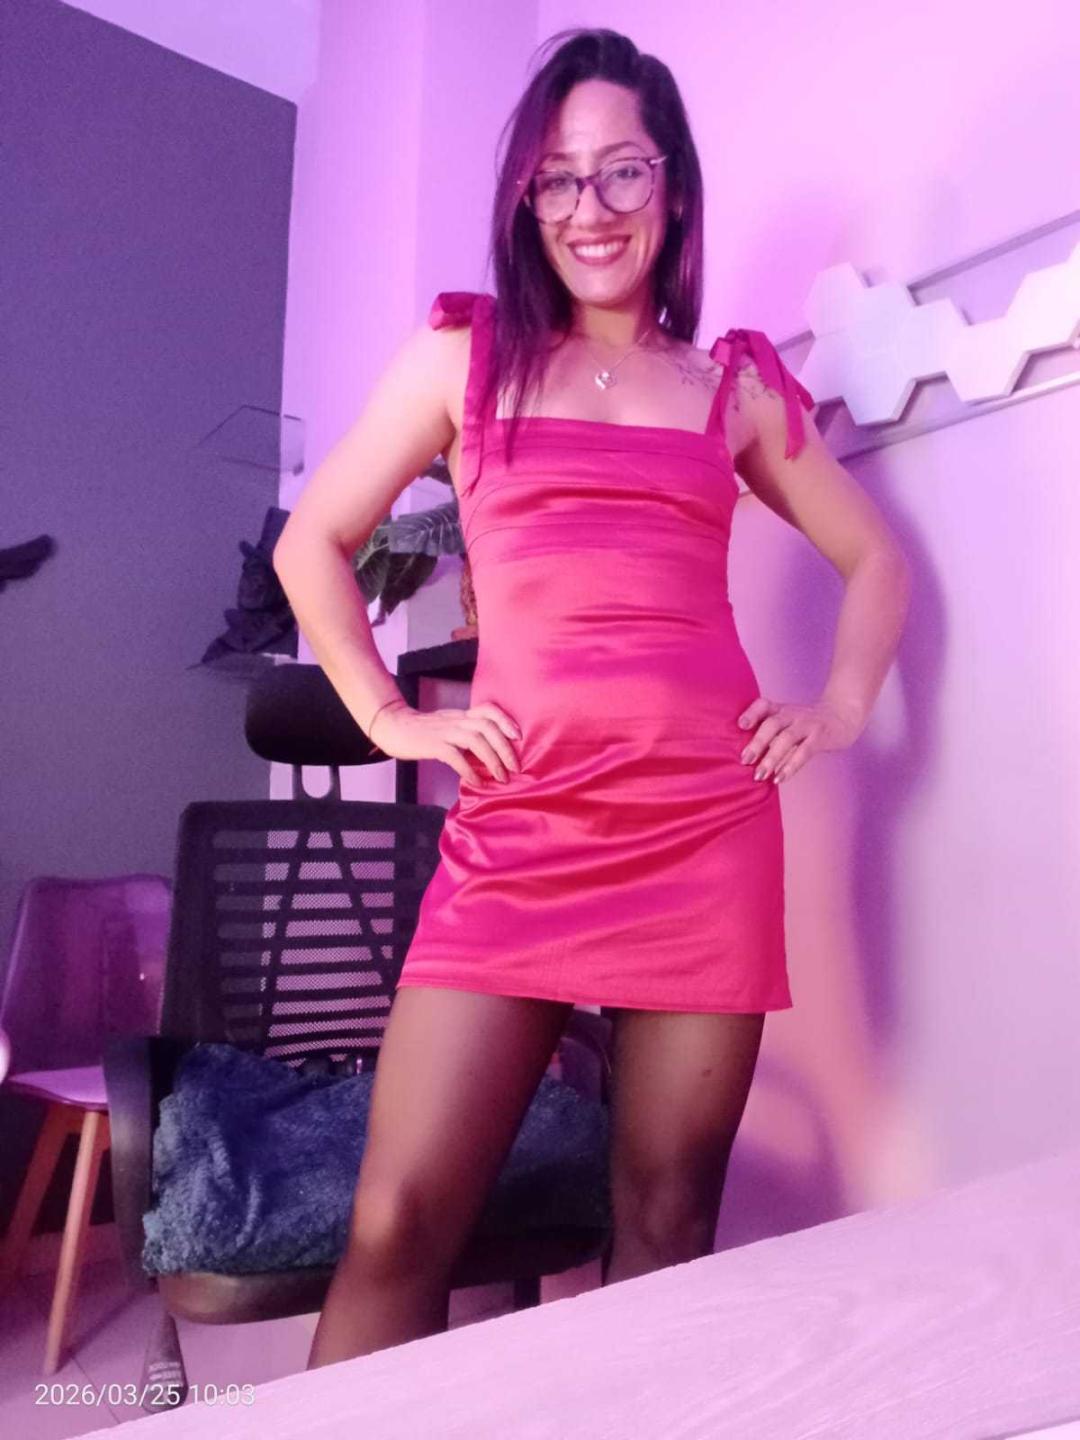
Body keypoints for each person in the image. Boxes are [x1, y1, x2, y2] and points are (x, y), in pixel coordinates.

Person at [274, 28, 911, 1368]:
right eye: (558, 178)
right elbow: (310, 542)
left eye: (622, 170)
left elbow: (875, 560)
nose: (590, 208)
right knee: (398, 1222)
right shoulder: (463, 359)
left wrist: (844, 707)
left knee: (668, 1224)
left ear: (671, 185)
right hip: (520, 830)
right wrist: (389, 717)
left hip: (702, 835)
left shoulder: (733, 385)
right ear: (527, 197)